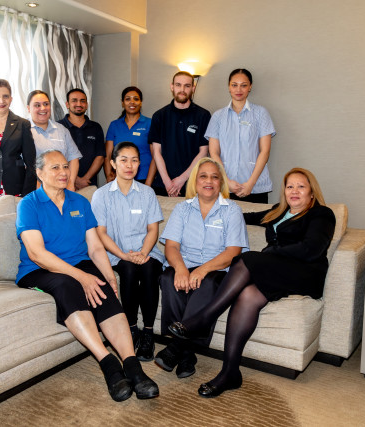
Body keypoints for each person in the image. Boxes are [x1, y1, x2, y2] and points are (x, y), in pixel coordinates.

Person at [168, 168, 336, 398]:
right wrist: (221, 215)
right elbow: (243, 217)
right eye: (290, 186)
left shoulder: (321, 214)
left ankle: (205, 317)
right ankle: (230, 372)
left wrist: (270, 254)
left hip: (306, 273)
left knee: (246, 258)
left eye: (301, 186)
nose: (294, 191)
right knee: (247, 296)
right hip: (278, 273)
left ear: (312, 192)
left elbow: (311, 249)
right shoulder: (278, 212)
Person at [15, 149, 159, 402]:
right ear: (39, 173)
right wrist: (82, 277)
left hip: (79, 262)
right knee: (67, 284)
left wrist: (109, 277)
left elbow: (94, 247)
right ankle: (108, 364)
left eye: (65, 166)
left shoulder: (80, 202)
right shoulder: (29, 204)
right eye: (55, 168)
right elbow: (37, 254)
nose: (63, 172)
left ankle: (133, 366)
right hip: (39, 270)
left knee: (102, 287)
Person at [155, 158, 248, 379]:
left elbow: (233, 252)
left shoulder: (232, 211)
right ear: (195, 181)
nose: (209, 181)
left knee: (208, 283)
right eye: (203, 176)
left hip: (217, 269)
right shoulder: (182, 209)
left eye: (215, 177)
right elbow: (172, 246)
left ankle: (176, 347)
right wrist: (180, 269)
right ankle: (187, 353)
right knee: (168, 278)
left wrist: (202, 270)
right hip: (185, 263)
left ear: (221, 182)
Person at [91, 142, 165, 362]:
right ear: (113, 163)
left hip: (146, 251)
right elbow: (101, 233)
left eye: (134, 160)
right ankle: (132, 328)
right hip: (117, 254)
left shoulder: (147, 193)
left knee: (150, 269)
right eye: (123, 160)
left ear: (139, 164)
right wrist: (124, 256)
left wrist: (143, 253)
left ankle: (148, 333)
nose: (129, 165)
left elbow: (153, 229)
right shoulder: (101, 195)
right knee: (129, 270)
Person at [206, 68, 276, 203]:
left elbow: (265, 151)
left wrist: (250, 183)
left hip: (255, 187)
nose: (239, 89)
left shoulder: (261, 113)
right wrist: (226, 181)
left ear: (250, 87)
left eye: (243, 85)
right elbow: (213, 152)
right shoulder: (218, 116)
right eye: (234, 85)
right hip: (224, 187)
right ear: (229, 87)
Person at [149, 71, 211, 197]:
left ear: (193, 88)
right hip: (163, 185)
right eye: (178, 85)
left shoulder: (203, 115)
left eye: (187, 86)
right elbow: (156, 152)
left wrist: (181, 179)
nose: (182, 90)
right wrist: (167, 182)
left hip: (193, 184)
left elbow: (204, 152)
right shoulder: (159, 116)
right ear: (172, 87)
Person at [27, 90, 81, 192]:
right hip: (35, 190)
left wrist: (70, 183)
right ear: (28, 108)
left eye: (46, 104)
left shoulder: (62, 129)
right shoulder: (23, 130)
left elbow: (73, 157)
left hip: (62, 188)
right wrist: (40, 189)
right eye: (37, 105)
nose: (43, 108)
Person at [104, 87, 155, 186]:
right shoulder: (114, 125)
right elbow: (108, 156)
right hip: (120, 179)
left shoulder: (150, 123)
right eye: (128, 99)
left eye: (136, 99)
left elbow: (155, 157)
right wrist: (109, 176)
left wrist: (148, 184)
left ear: (140, 102)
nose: (132, 102)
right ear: (122, 103)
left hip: (144, 178)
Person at [57, 88, 106, 190]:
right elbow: (56, 157)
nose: (79, 104)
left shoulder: (96, 127)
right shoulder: (58, 127)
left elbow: (100, 156)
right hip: (64, 183)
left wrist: (85, 179)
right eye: (74, 100)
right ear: (67, 104)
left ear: (86, 105)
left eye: (82, 101)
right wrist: (75, 179)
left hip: (89, 184)